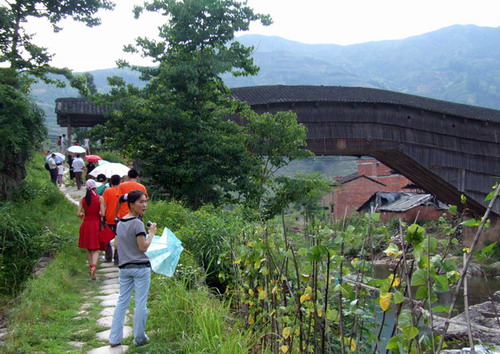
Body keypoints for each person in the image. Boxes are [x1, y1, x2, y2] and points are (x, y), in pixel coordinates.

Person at [109, 190, 156, 348]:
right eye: (141, 202)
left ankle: (114, 338)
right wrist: (152, 234)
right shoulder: (137, 223)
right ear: (131, 204)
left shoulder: (120, 223)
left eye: (145, 202)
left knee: (122, 302)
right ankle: (139, 338)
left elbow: (116, 245)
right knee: (140, 303)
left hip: (124, 268)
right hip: (140, 268)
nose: (144, 205)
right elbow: (143, 247)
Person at [77, 179, 105, 280]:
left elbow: (78, 213)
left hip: (86, 224)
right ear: (94, 188)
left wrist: (83, 215)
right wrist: (99, 214)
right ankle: (94, 266)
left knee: (88, 248)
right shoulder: (100, 198)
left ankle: (90, 267)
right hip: (95, 224)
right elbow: (103, 213)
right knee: (96, 248)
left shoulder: (83, 200)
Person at [103, 174, 121, 263]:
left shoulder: (107, 191)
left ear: (111, 182)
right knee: (118, 237)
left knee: (107, 237)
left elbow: (104, 204)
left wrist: (103, 215)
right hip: (120, 217)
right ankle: (117, 257)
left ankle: (108, 256)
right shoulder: (122, 191)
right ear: (120, 181)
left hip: (109, 217)